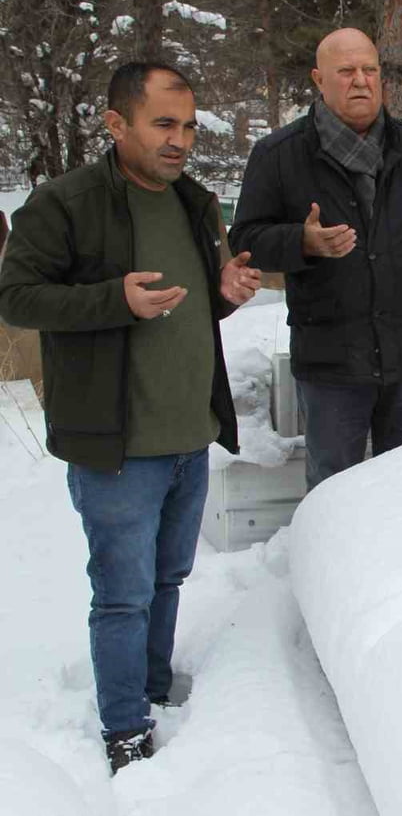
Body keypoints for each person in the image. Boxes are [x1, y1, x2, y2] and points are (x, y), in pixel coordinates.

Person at [0, 62, 260, 773]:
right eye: (163, 124)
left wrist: (227, 292)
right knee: (122, 594)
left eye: (188, 125)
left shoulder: (195, 202)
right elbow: (16, 296)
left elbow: (191, 302)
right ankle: (124, 728)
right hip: (115, 445)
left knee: (169, 577)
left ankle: (151, 686)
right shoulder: (66, 203)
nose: (180, 140)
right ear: (116, 125)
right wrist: (112, 298)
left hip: (186, 435)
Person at [230, 28, 402, 490]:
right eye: (347, 71)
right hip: (332, 355)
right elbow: (246, 239)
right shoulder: (279, 155)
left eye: (369, 70)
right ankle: (331, 563)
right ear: (319, 79)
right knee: (334, 489)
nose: (361, 81)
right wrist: (303, 241)